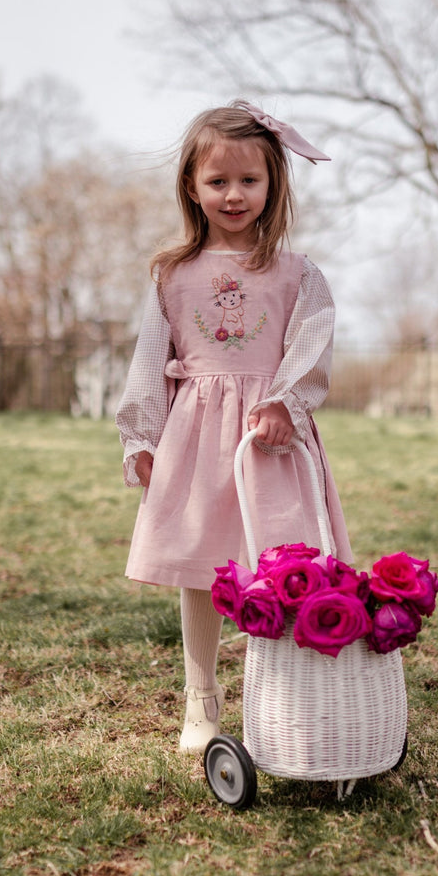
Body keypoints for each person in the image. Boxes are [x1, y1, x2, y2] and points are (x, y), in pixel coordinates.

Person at [115, 101, 353, 754]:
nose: (233, 194)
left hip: (265, 441)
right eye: (217, 180)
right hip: (194, 440)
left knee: (280, 568)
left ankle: (281, 696)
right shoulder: (172, 272)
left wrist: (284, 403)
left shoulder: (295, 272)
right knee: (200, 569)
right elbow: (147, 361)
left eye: (248, 180)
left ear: (274, 181)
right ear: (191, 186)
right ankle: (201, 699)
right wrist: (141, 437)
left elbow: (311, 345)